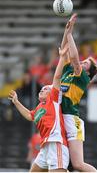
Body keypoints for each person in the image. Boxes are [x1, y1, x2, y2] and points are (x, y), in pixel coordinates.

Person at [8, 44, 69, 172]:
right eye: (42, 89)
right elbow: (30, 116)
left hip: (55, 143)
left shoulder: (54, 98)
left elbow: (57, 77)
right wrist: (16, 102)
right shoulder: (40, 106)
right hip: (45, 146)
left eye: (46, 89)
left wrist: (62, 57)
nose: (43, 89)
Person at [60, 13, 97, 172]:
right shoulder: (67, 71)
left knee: (78, 164)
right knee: (64, 165)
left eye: (86, 62)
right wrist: (67, 30)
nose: (82, 62)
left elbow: (73, 56)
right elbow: (64, 50)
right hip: (60, 117)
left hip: (71, 118)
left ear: (89, 71)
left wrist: (71, 34)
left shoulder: (83, 77)